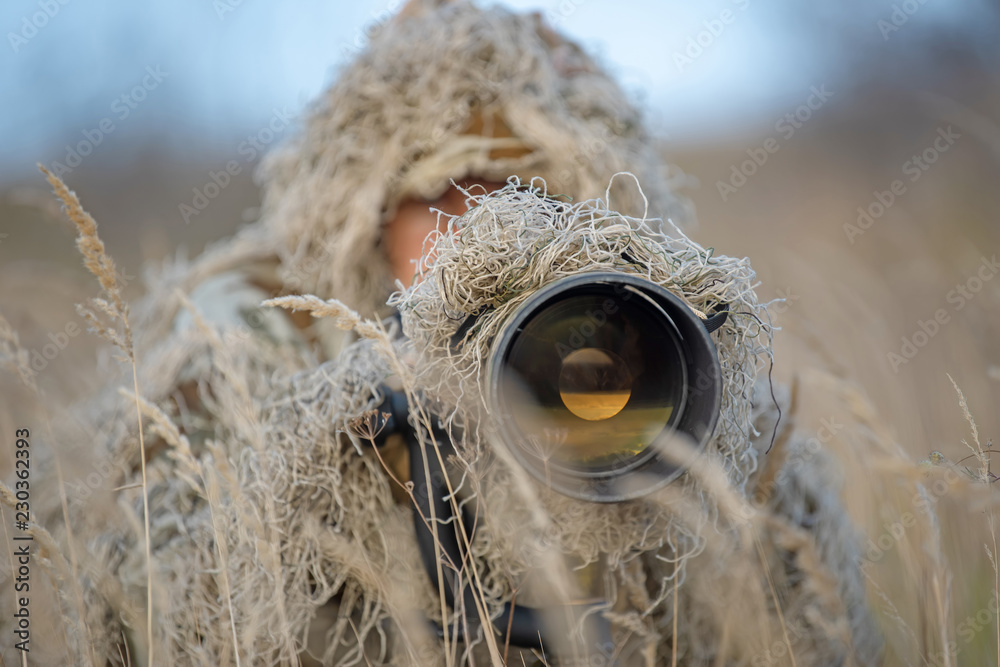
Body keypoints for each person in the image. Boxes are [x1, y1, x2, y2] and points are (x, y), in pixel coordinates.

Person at [50, 1, 881, 665]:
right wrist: (349, 450)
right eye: (443, 192)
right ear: (367, 220)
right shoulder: (253, 327)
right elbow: (153, 597)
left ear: (594, 212)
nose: (485, 225)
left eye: (523, 190)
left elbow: (800, 618)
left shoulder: (654, 340)